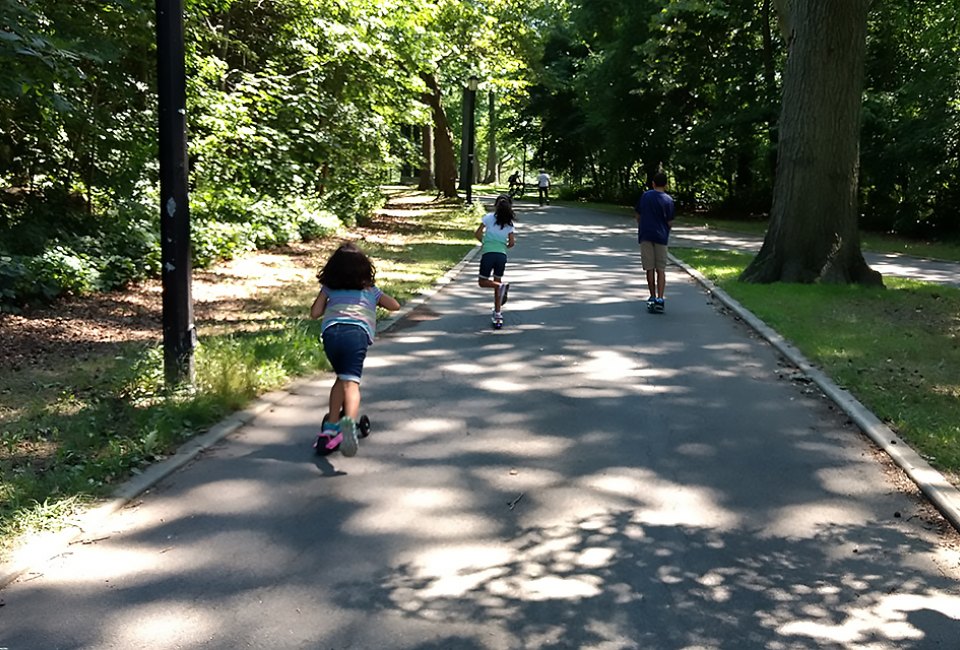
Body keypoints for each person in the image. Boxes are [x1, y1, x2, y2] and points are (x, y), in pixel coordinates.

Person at [310, 242, 400, 456]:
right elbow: (395, 305)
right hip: (356, 334)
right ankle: (348, 422)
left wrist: (327, 295)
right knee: (351, 382)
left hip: (331, 334)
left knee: (341, 378)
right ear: (363, 269)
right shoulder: (370, 290)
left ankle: (330, 426)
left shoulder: (329, 288)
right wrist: (375, 299)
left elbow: (315, 313)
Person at [635, 171, 676, 311]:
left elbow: (638, 215)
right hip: (661, 236)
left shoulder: (645, 196)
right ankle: (660, 298)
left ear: (653, 183)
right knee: (661, 269)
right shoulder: (669, 200)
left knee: (649, 267)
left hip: (646, 235)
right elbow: (670, 222)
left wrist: (642, 226)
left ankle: (652, 296)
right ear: (666, 184)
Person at [475, 194, 517, 326]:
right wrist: (502, 246)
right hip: (501, 255)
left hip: (488, 253)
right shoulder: (509, 224)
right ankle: (498, 314)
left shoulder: (488, 218)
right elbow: (511, 243)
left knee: (483, 282)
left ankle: (501, 286)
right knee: (497, 282)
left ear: (495, 205)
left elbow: (477, 233)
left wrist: (485, 242)